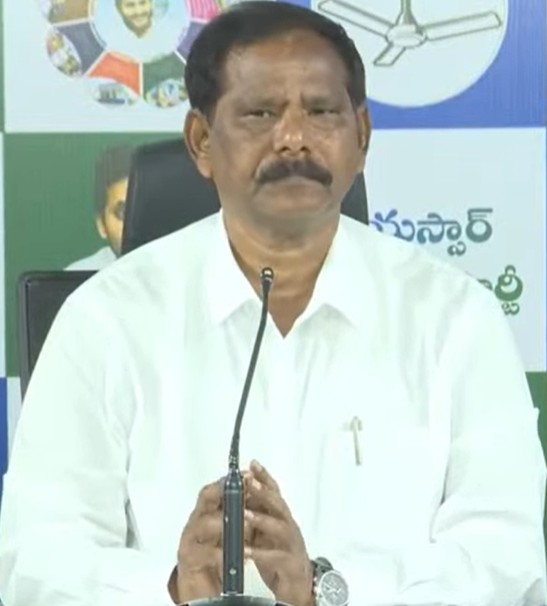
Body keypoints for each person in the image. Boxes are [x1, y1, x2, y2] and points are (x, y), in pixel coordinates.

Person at [0, 3, 545, 606]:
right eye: (260, 113)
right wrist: (172, 588)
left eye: (322, 111)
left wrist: (325, 590)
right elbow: (37, 562)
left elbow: (507, 559)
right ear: (201, 141)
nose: (293, 138)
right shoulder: (107, 319)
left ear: (362, 136)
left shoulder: (455, 319)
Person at [66, 145, 133, 271]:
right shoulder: (79, 279)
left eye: (144, 211)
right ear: (101, 225)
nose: (134, 225)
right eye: (123, 213)